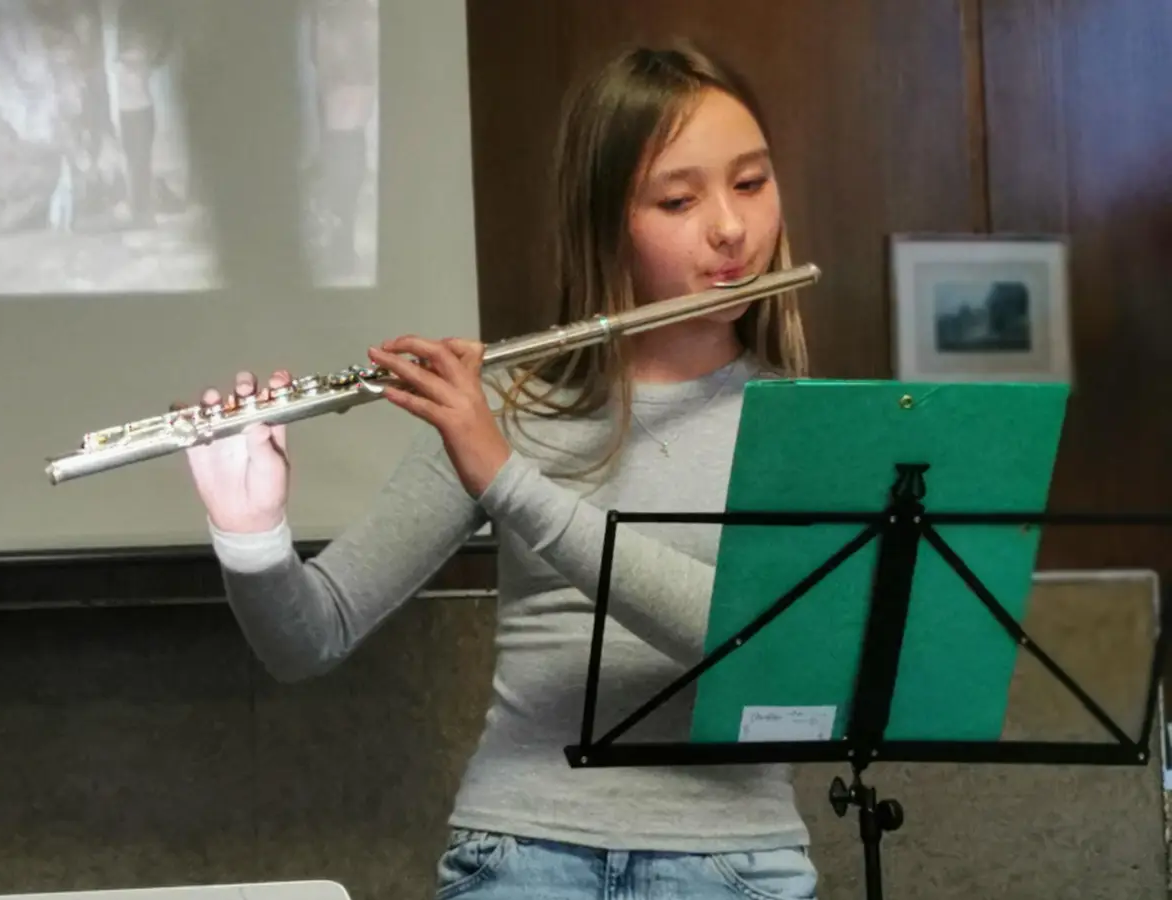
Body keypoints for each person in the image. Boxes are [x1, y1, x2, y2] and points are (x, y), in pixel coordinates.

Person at [184, 40, 818, 899]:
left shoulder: (809, 424)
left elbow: (768, 649)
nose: (731, 228)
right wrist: (251, 533)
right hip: (522, 854)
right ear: (608, 222)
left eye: (751, 182)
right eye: (678, 198)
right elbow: (310, 638)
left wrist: (509, 482)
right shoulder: (503, 407)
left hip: (737, 865)